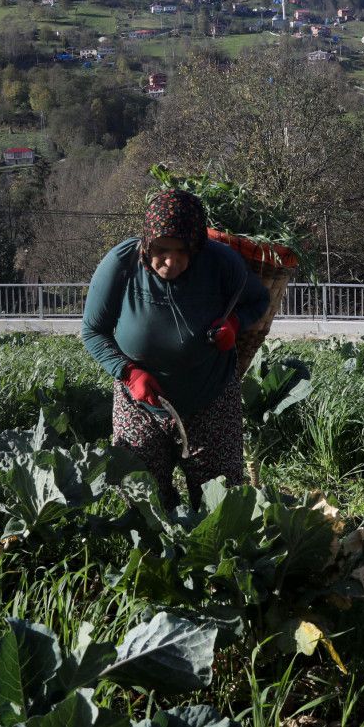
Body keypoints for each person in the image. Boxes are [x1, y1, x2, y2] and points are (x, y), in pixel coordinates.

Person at [82, 189, 269, 508]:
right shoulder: (121, 264)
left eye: (182, 251)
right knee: (142, 497)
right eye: (162, 249)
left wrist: (234, 323)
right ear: (147, 243)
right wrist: (128, 373)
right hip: (139, 402)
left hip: (210, 396)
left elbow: (258, 300)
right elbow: (92, 331)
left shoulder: (221, 263)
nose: (171, 261)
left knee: (220, 501)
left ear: (197, 245)